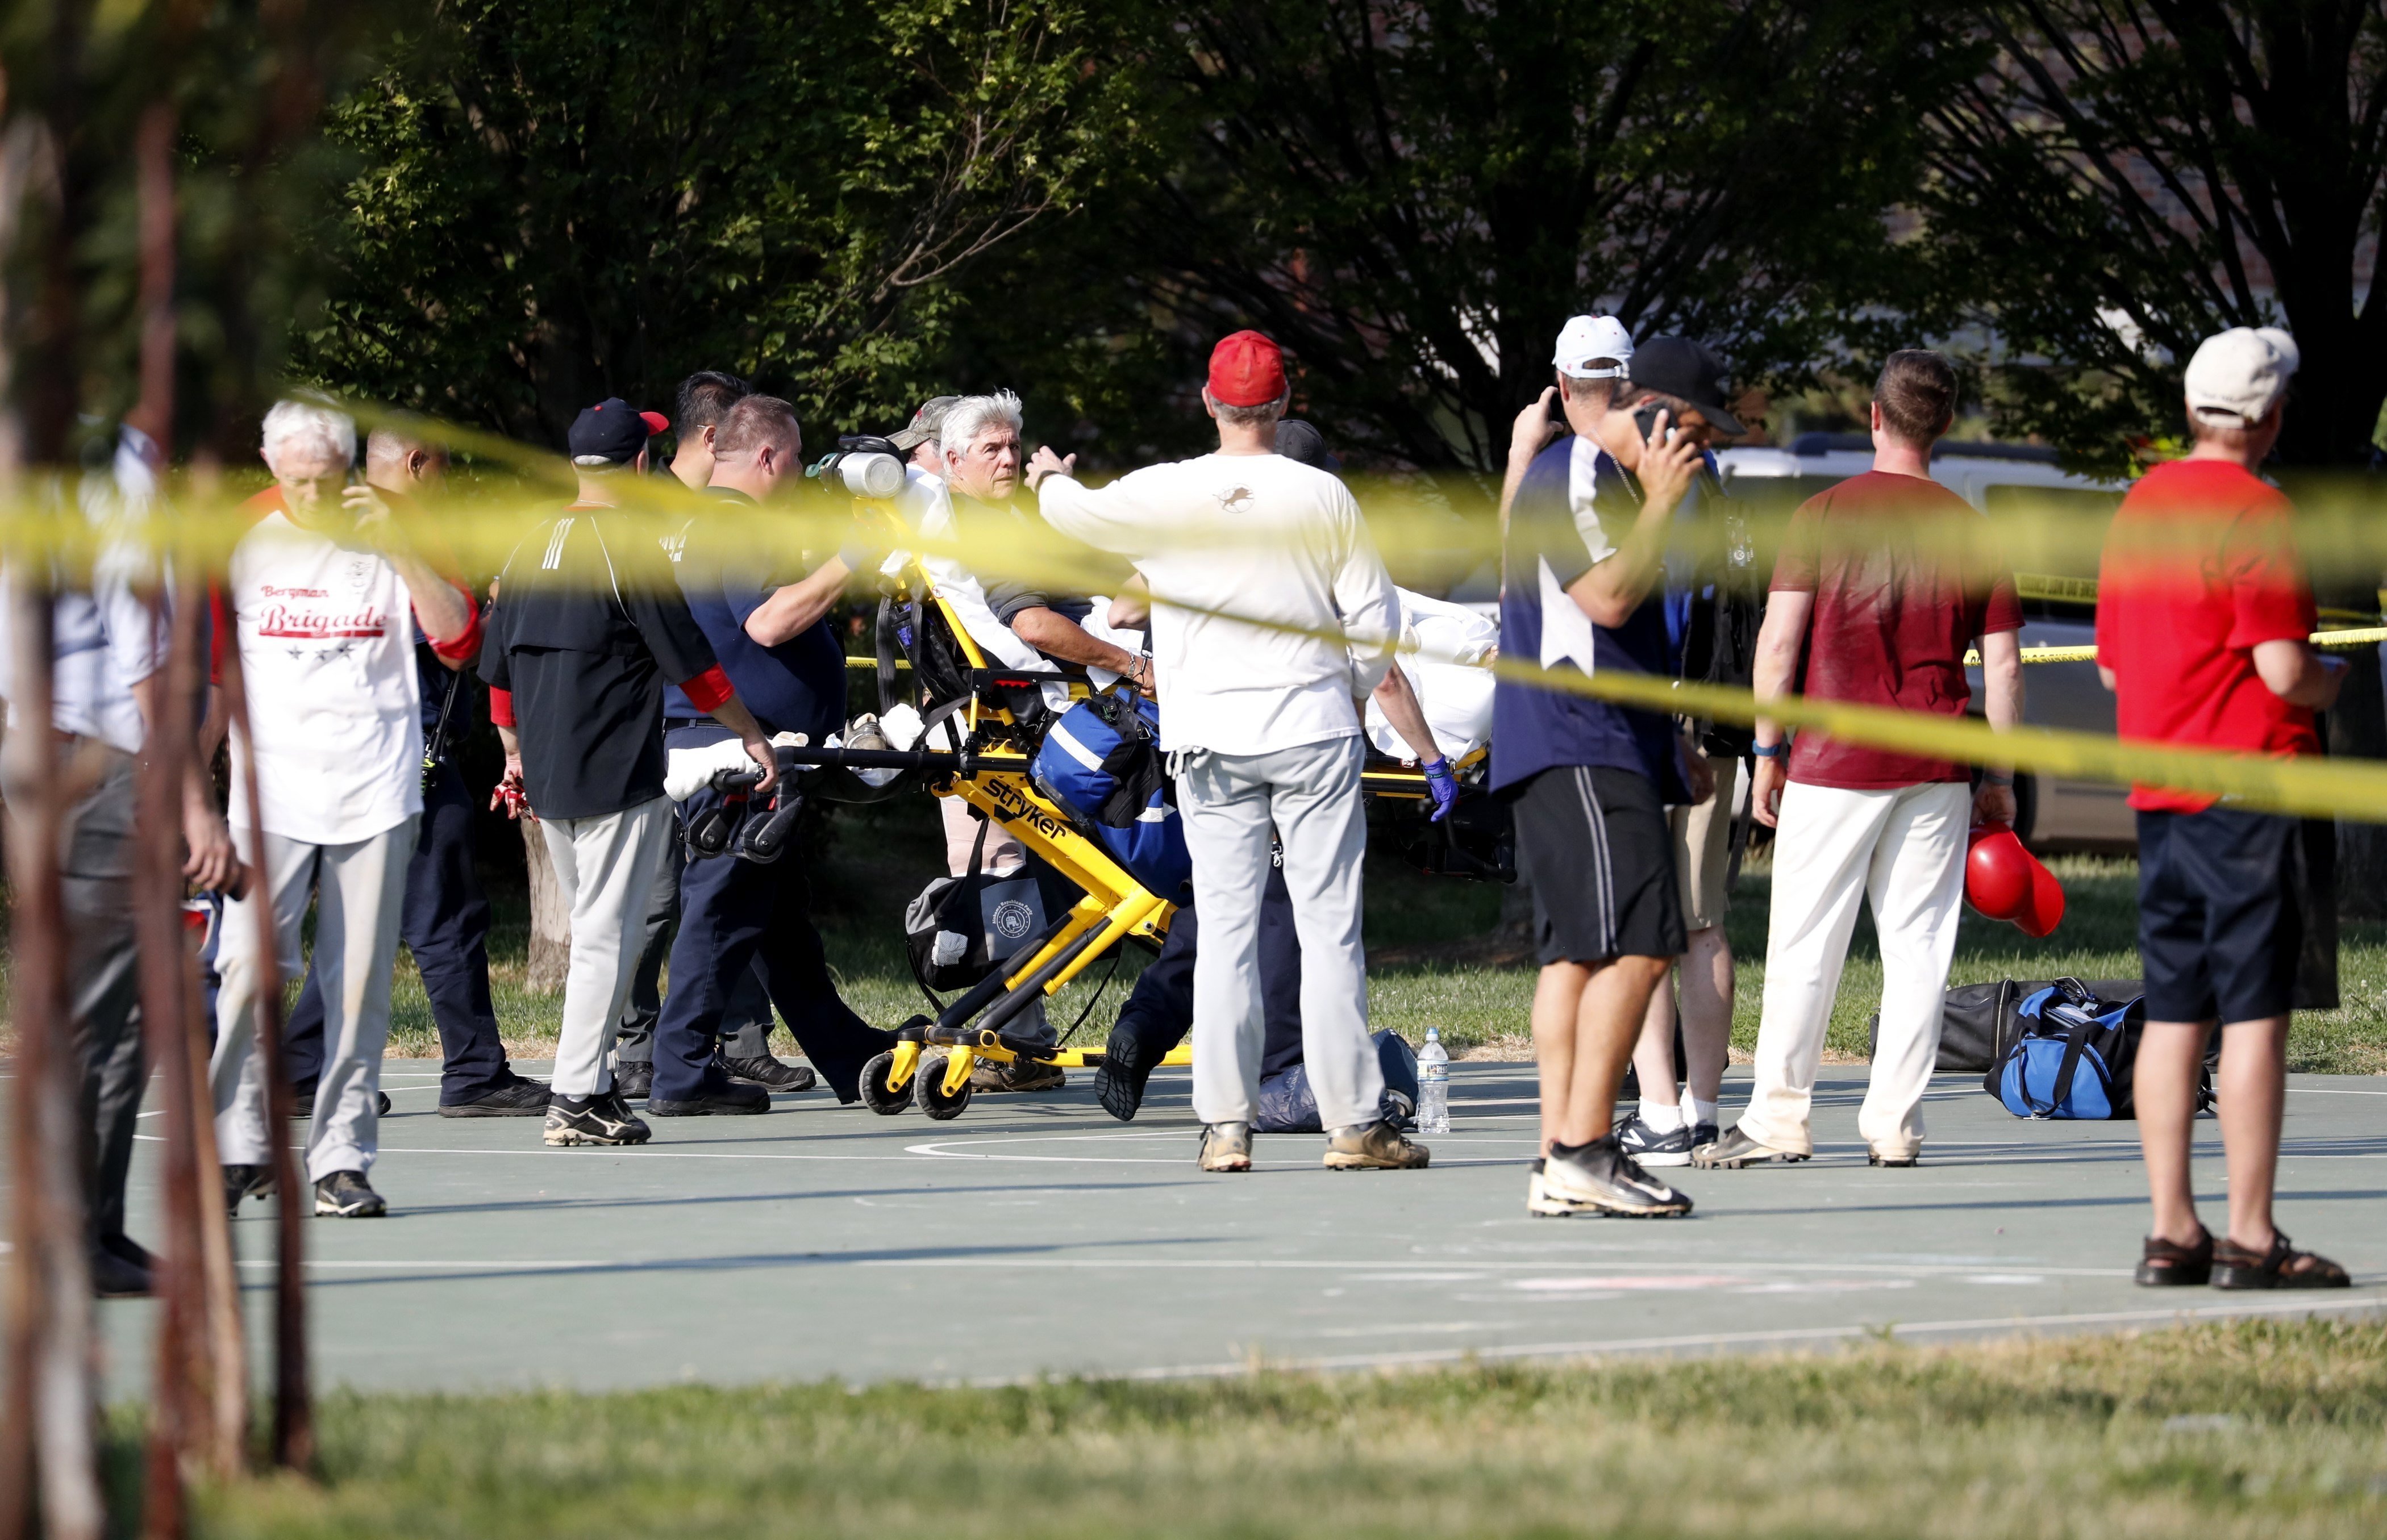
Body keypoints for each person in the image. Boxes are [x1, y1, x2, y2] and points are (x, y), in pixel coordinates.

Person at [1028, 329, 1427, 1174]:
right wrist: (1351, 690)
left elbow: (1071, 511)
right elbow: (1375, 620)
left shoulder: (1167, 490)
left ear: (1209, 402)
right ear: (1282, 404)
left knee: (1227, 932)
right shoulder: (1323, 495)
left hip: (1210, 735)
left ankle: (1225, 1126)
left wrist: (1048, 476)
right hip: (1311, 730)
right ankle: (1354, 1124)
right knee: (1329, 931)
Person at [1694, 350, 2023, 1171]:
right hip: (1937, 762)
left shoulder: (1822, 514)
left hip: (1832, 760)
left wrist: (1766, 749)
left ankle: (1779, 1119)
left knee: (1806, 942)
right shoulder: (1974, 530)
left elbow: (1778, 644)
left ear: (1874, 416)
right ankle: (1895, 1125)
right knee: (1919, 950)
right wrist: (2000, 777)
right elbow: (2005, 667)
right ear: (1944, 425)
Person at [2097, 326, 2349, 1290]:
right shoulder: (2261, 511)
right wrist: (2333, 679)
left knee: (2174, 1013)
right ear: (2271, 417)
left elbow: (2114, 666)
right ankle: (2250, 1235)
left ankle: (2172, 1232)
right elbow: (2283, 670)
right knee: (2252, 1017)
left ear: (2190, 409)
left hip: (2163, 792)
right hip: (2250, 790)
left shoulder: (2140, 506)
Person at [480, 397, 778, 1146]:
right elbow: (695, 668)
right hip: (614, 769)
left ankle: (594, 1087)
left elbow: (497, 672)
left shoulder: (527, 545)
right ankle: (575, 1095)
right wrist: (750, 734)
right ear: (640, 463)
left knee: (597, 931)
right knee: (606, 939)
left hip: (549, 775)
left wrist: (513, 752)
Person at [210, 399, 480, 1218]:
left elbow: (459, 640)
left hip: (375, 788)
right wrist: (189, 793)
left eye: (326, 480)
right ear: (270, 464)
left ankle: (341, 1160)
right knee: (247, 969)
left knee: (358, 983)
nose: (313, 496)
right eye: (297, 481)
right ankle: (240, 1142)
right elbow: (209, 673)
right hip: (270, 792)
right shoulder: (241, 533)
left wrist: (400, 551)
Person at [0, 421, 240, 1290]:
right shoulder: (115, 471)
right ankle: (65, 1236)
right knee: (97, 1009)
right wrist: (193, 803)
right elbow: (144, 655)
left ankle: (88, 1228)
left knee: (126, 1007)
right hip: (96, 762)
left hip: (50, 752)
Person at [1511, 325, 1748, 1165]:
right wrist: (1658, 502)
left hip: (1620, 733)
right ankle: (1585, 1146)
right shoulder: (1574, 472)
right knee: (1630, 943)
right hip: (1573, 734)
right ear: (1655, 409)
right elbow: (1607, 599)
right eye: (1698, 431)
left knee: (1591, 950)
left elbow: (1636, 625)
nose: (1701, 451)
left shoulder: (1621, 480)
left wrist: (1667, 738)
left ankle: (1567, 1154)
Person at [282, 429, 549, 1118]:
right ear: (416, 463)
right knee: (448, 915)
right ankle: (476, 1072)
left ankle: (300, 1068)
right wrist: (488, 614)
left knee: (360, 917)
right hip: (405, 752)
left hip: (333, 748)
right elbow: (452, 640)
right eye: (444, 470)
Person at [648, 394, 900, 1112]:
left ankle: (850, 1056)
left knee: (780, 924)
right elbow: (766, 621)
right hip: (743, 754)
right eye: (794, 458)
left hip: (721, 743)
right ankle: (680, 1072)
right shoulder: (738, 524)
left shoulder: (692, 523)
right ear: (766, 456)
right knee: (722, 912)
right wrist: (852, 558)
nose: (798, 472)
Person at [616, 369, 786, 1098]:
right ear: (718, 437)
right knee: (658, 898)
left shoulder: (730, 515)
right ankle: (635, 1045)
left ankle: (739, 1038)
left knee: (726, 887)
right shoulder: (646, 515)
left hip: (717, 721)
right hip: (656, 726)